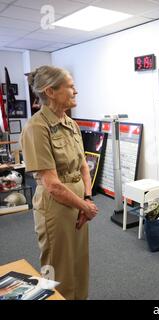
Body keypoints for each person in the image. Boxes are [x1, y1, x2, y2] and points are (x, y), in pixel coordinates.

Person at [20, 65, 98, 300]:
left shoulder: (70, 123)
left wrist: (87, 198)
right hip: (55, 206)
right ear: (50, 91)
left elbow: (84, 165)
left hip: (78, 203)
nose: (76, 91)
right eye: (71, 87)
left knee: (79, 262)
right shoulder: (37, 127)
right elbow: (52, 184)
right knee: (58, 267)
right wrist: (84, 207)